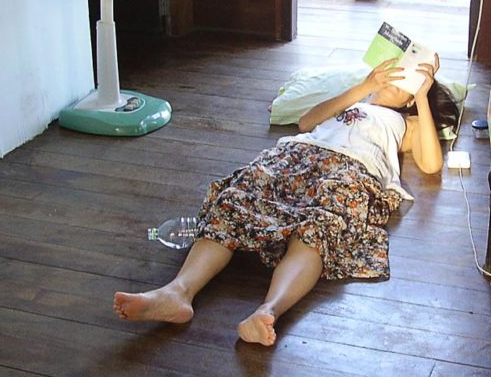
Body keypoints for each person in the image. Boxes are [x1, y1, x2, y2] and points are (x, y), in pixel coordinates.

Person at [113, 55, 460, 346]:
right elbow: (306, 121)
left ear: (411, 99)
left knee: (316, 228)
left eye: (403, 82)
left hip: (349, 171)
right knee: (236, 201)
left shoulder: (403, 122)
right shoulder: (353, 100)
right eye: (389, 72)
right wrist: (363, 87)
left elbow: (430, 164)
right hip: (294, 156)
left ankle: (268, 311)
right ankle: (177, 292)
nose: (390, 79)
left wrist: (424, 95)